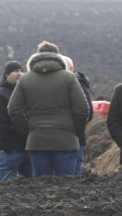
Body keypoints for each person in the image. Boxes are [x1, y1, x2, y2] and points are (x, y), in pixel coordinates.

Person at [7, 49, 89, 177]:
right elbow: (82, 109)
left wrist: (29, 130)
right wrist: (75, 130)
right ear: (59, 62)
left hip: (37, 140)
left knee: (41, 187)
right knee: (67, 187)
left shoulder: (25, 79)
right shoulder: (69, 77)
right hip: (66, 140)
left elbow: (13, 109)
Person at [0, 61, 32, 180]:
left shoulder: (25, 94)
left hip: (27, 148)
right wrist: (6, 145)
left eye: (21, 71)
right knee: (7, 184)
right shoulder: (0, 95)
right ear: (6, 75)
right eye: (15, 71)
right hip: (10, 151)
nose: (19, 74)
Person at [62, 55, 94, 175]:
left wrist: (75, 130)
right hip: (63, 141)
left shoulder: (79, 83)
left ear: (72, 68)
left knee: (72, 178)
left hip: (75, 141)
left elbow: (88, 112)